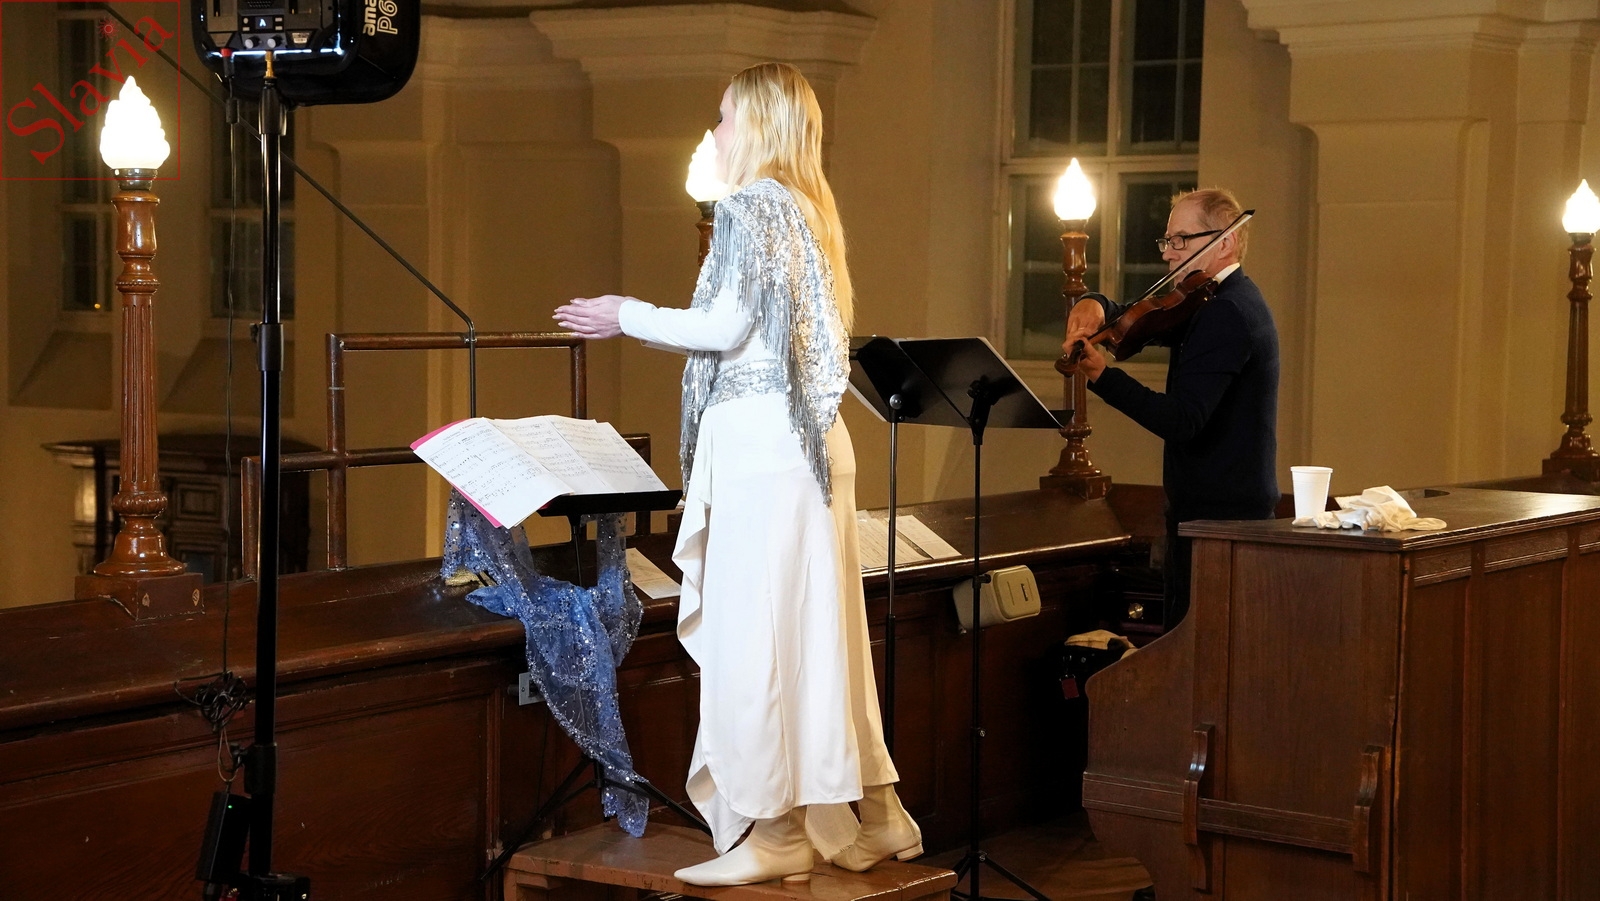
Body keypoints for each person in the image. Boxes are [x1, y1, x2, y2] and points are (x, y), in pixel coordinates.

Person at [553, 63, 921, 887]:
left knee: (757, 642)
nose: (713, 132)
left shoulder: (753, 205)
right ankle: (881, 815)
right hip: (808, 448)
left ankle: (779, 830)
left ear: (756, 123)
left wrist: (624, 314)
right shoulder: (809, 209)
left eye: (722, 117)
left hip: (766, 455)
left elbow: (726, 325)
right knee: (820, 642)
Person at [1063, 188, 1279, 625]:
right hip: (1217, 516)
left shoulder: (1227, 312)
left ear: (1225, 241)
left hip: (1218, 523)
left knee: (1197, 649)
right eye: (1167, 240)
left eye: (1181, 239)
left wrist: (1102, 375)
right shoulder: (1211, 298)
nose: (1168, 252)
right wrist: (1095, 303)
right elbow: (1138, 319)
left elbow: (1181, 420)